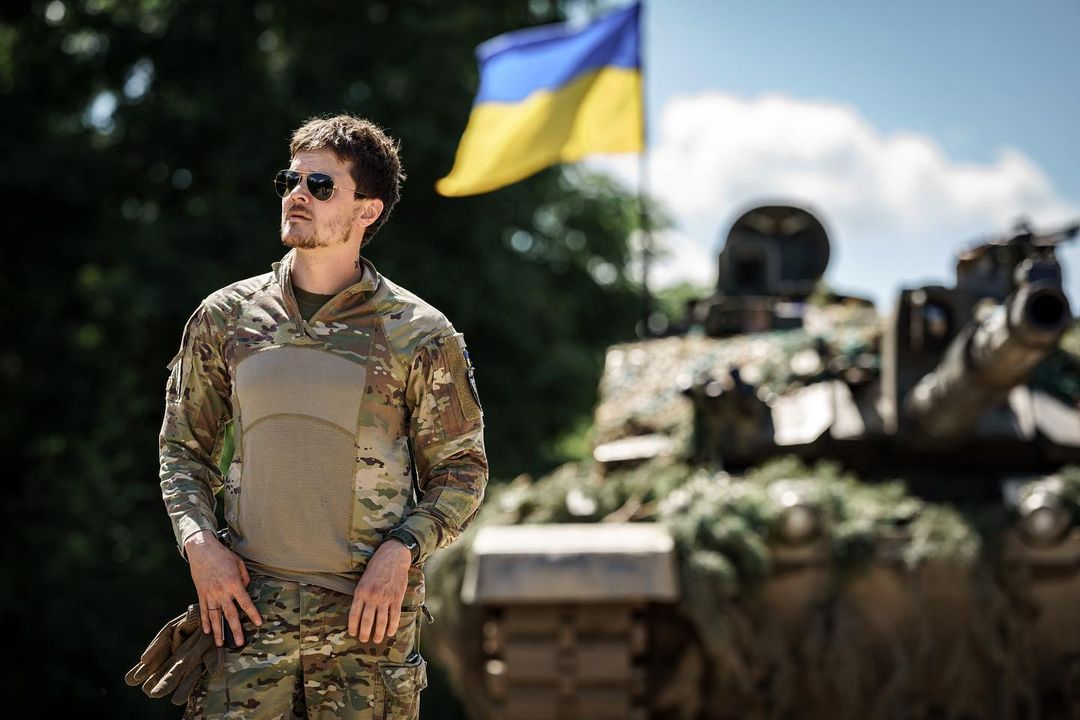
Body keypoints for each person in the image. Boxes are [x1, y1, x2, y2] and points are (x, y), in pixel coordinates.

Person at [158, 114, 488, 719]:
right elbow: (183, 450)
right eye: (290, 180)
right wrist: (199, 543)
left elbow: (461, 472)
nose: (296, 195)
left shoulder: (419, 333)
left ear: (367, 209)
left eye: (320, 185)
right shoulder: (225, 317)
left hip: (368, 625)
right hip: (245, 617)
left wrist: (402, 552)